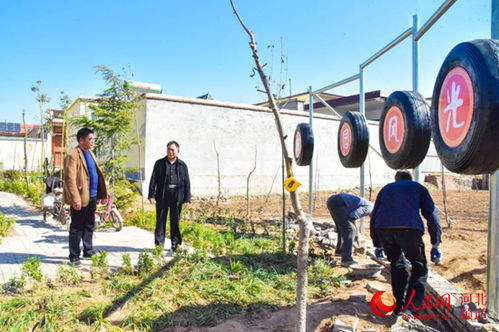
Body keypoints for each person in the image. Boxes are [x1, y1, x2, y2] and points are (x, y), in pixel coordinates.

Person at [370, 170, 443, 316]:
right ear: (410, 178)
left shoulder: (386, 189)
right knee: (419, 268)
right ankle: (410, 309)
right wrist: (436, 243)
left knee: (397, 265)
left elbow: (375, 215)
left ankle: (398, 308)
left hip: (384, 230)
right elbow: (432, 215)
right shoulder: (418, 187)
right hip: (410, 230)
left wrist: (377, 243)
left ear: (396, 179)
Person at [63, 128, 107, 265]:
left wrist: (100, 193)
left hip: (92, 196)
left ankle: (88, 250)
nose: (93, 141)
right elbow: (69, 179)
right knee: (77, 227)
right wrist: (76, 198)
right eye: (90, 139)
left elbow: (95, 174)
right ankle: (74, 255)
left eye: (93, 139)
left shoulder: (90, 153)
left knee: (89, 224)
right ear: (81, 140)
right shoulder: (73, 155)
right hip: (80, 198)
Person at [148, 141, 191, 252]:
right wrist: (151, 195)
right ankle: (159, 245)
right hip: (162, 197)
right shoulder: (159, 163)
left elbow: (187, 182)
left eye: (173, 150)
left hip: (177, 199)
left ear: (178, 151)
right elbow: (154, 179)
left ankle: (175, 245)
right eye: (168, 149)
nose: (170, 152)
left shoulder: (182, 165)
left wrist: (187, 198)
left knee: (175, 222)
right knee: (160, 222)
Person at [326, 193, 374, 266]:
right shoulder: (369, 208)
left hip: (333, 200)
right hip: (339, 202)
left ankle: (340, 251)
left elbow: (353, 215)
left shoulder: (369, 205)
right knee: (350, 229)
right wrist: (356, 232)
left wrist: (356, 231)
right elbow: (353, 216)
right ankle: (346, 259)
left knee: (342, 227)